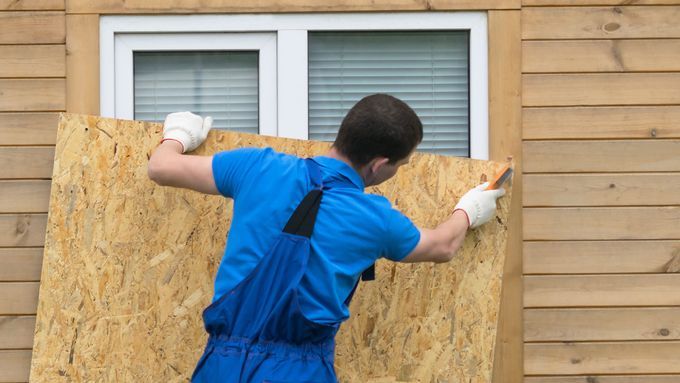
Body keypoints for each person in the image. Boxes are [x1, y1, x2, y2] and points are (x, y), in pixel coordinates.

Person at [147, 94, 505, 383]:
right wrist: (469, 210)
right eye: (400, 165)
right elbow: (441, 246)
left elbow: (161, 167)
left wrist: (178, 134)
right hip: (298, 372)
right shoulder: (376, 219)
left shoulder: (257, 167)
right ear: (380, 165)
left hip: (220, 368)